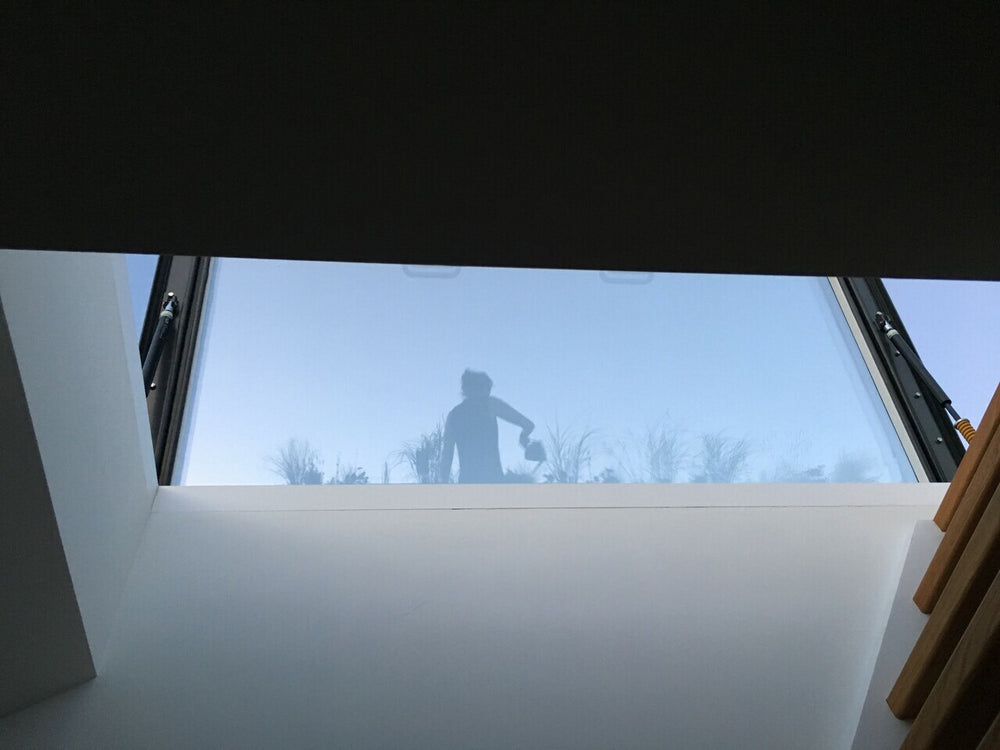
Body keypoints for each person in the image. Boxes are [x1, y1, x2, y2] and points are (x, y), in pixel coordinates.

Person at [438, 369, 535, 483]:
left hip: (467, 483)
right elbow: (528, 424)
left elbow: (446, 459)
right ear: (477, 388)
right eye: (486, 388)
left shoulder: (454, 415)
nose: (488, 392)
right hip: (493, 481)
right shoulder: (490, 405)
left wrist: (443, 486)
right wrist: (524, 437)